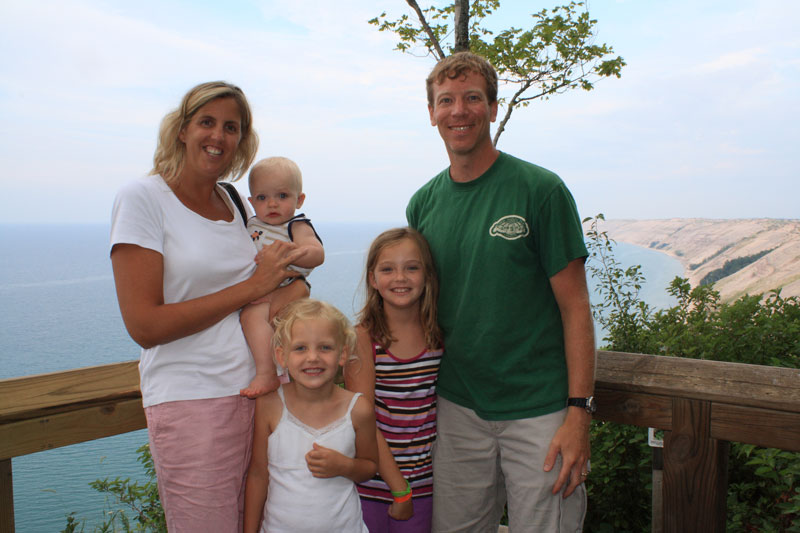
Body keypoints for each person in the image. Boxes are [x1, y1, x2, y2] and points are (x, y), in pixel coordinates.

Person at [406, 51, 596, 531]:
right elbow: (414, 306)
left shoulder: (540, 190)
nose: (459, 111)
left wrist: (579, 415)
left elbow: (575, 308)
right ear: (431, 113)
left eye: (473, 98)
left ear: (493, 107)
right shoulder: (423, 203)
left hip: (539, 410)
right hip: (455, 406)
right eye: (446, 100)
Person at [110, 81, 308, 532]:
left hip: (265, 393)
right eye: (206, 122)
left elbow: (276, 287)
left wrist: (290, 291)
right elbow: (144, 325)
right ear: (182, 129)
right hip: (194, 401)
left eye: (231, 127)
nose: (218, 136)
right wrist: (254, 288)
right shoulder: (142, 199)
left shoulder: (236, 201)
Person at [243, 299, 379, 533]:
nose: (313, 357)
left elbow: (370, 467)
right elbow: (257, 474)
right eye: (300, 348)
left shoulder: (358, 409)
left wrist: (344, 466)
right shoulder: (270, 404)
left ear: (343, 354)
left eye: (325, 347)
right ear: (281, 356)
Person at [345, 228, 444, 533]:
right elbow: (364, 421)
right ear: (373, 279)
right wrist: (399, 488)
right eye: (388, 269)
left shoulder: (438, 335)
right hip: (371, 484)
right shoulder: (362, 338)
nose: (400, 277)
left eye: (411, 267)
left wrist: (410, 489)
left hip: (425, 483)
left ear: (427, 275)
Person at [239, 156, 325, 398]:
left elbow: (317, 254)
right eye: (262, 198)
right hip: (263, 289)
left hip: (283, 288)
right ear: (251, 201)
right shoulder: (252, 224)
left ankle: (266, 373)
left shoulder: (295, 225)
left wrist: (293, 254)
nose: (272, 204)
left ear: (300, 200)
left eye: (282, 196)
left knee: (251, 316)